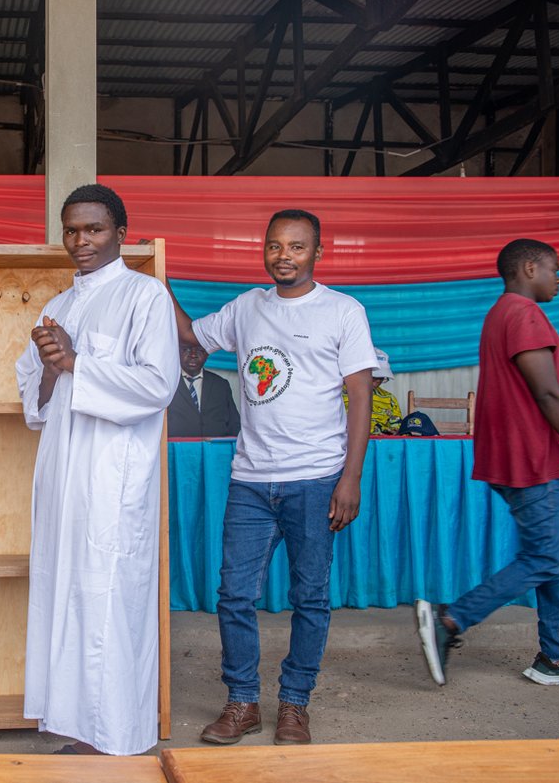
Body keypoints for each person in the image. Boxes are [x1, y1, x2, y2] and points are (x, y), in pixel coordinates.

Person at [176, 209, 376, 746]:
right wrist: (157, 278)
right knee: (234, 594)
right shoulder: (247, 307)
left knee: (309, 597)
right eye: (274, 246)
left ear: (317, 252)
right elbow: (190, 333)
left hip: (315, 479)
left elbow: (361, 396)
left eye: (296, 246)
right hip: (251, 480)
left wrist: (349, 478)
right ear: (263, 249)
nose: (283, 256)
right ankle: (242, 702)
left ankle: (294, 704)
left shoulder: (342, 311)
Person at [16, 184, 179, 756]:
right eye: (71, 230)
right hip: (62, 469)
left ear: (121, 233)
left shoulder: (145, 295)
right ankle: (80, 725)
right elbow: (36, 404)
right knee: (68, 592)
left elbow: (159, 385)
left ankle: (119, 736)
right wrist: (50, 363)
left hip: (114, 473)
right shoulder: (57, 305)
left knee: (110, 595)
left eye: (94, 229)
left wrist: (77, 361)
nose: (81, 241)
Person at [416, 239, 559, 686]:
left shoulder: (502, 313)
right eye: (554, 270)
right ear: (530, 267)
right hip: (525, 456)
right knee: (549, 556)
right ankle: (450, 619)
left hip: (528, 452)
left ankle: (554, 655)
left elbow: (529, 395)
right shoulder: (524, 314)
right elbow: (547, 393)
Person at [168, 342, 240, 438]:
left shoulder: (221, 385)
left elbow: (235, 426)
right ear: (177, 352)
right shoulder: (167, 383)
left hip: (216, 450)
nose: (193, 355)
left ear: (207, 354)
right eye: (187, 349)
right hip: (178, 450)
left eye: (200, 350)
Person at [342, 347, 402, 435]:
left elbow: (397, 426)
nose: (378, 381)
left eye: (381, 378)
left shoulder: (389, 399)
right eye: (374, 377)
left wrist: (394, 431)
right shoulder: (338, 395)